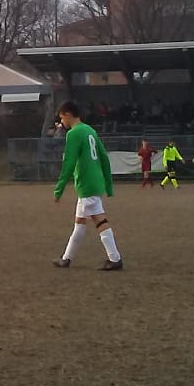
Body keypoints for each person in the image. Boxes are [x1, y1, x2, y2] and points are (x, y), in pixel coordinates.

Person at [51, 101, 122, 271]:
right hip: (94, 182)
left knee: (99, 221)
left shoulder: (74, 133)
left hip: (86, 184)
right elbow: (104, 157)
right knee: (81, 223)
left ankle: (115, 258)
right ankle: (66, 258)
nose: (62, 122)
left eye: (61, 118)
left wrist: (59, 189)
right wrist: (108, 184)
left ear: (68, 114)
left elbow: (69, 163)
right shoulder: (90, 130)